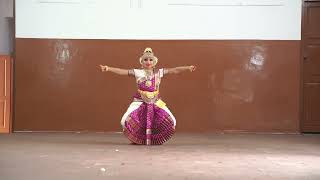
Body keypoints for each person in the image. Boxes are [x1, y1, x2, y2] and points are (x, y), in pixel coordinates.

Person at [99, 47, 196, 145]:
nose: (148, 62)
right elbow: (122, 71)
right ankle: (137, 138)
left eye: (150, 59)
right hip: (139, 101)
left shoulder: (159, 72)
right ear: (141, 61)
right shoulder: (137, 72)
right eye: (145, 59)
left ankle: (154, 138)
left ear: (154, 61)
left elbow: (174, 70)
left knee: (172, 121)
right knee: (124, 121)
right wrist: (108, 68)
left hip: (156, 101)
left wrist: (187, 68)